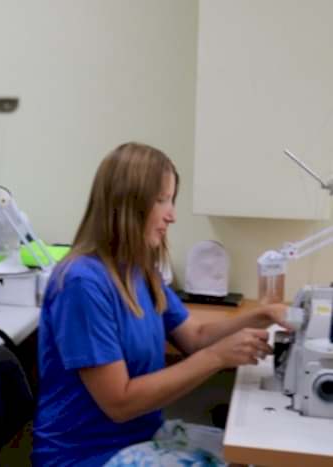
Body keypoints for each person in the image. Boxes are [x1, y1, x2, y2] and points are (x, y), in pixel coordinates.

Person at [32, 142, 290, 466]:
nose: (172, 216)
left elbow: (195, 336)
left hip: (140, 438)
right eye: (162, 200)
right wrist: (217, 356)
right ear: (128, 203)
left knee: (250, 455)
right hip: (87, 456)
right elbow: (120, 403)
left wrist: (261, 315)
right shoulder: (82, 284)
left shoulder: (139, 269)